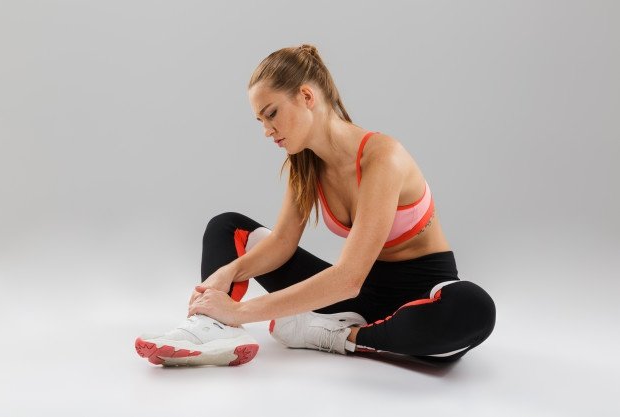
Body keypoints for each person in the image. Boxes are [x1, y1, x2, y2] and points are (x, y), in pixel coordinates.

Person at [135, 44, 496, 367]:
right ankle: (210, 328)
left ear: (306, 96)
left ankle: (333, 336)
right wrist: (230, 272)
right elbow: (282, 243)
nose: (266, 130)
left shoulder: (382, 157)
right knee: (226, 226)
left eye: (271, 113)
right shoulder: (304, 163)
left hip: (423, 296)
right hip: (359, 300)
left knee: (473, 310)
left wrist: (241, 310)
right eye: (260, 120)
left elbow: (348, 278)